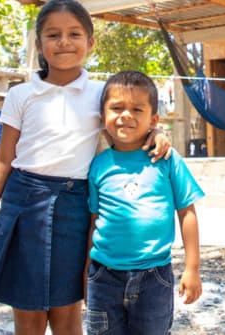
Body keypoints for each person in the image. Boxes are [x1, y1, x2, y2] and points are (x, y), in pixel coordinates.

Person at [0, 0, 171, 335]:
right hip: (23, 205)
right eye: (53, 35)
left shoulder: (101, 93)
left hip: (75, 207)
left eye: (74, 34)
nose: (64, 42)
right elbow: (2, 161)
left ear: (90, 42)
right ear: (39, 44)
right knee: (27, 315)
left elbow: (130, 122)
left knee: (67, 311)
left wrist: (159, 134)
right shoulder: (21, 95)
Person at [85, 70, 204, 335]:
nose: (126, 115)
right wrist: (86, 274)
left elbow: (187, 212)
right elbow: (94, 221)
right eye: (117, 108)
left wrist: (192, 268)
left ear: (153, 119)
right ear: (103, 117)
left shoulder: (167, 160)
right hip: (104, 276)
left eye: (137, 109)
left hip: (155, 276)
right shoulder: (98, 165)